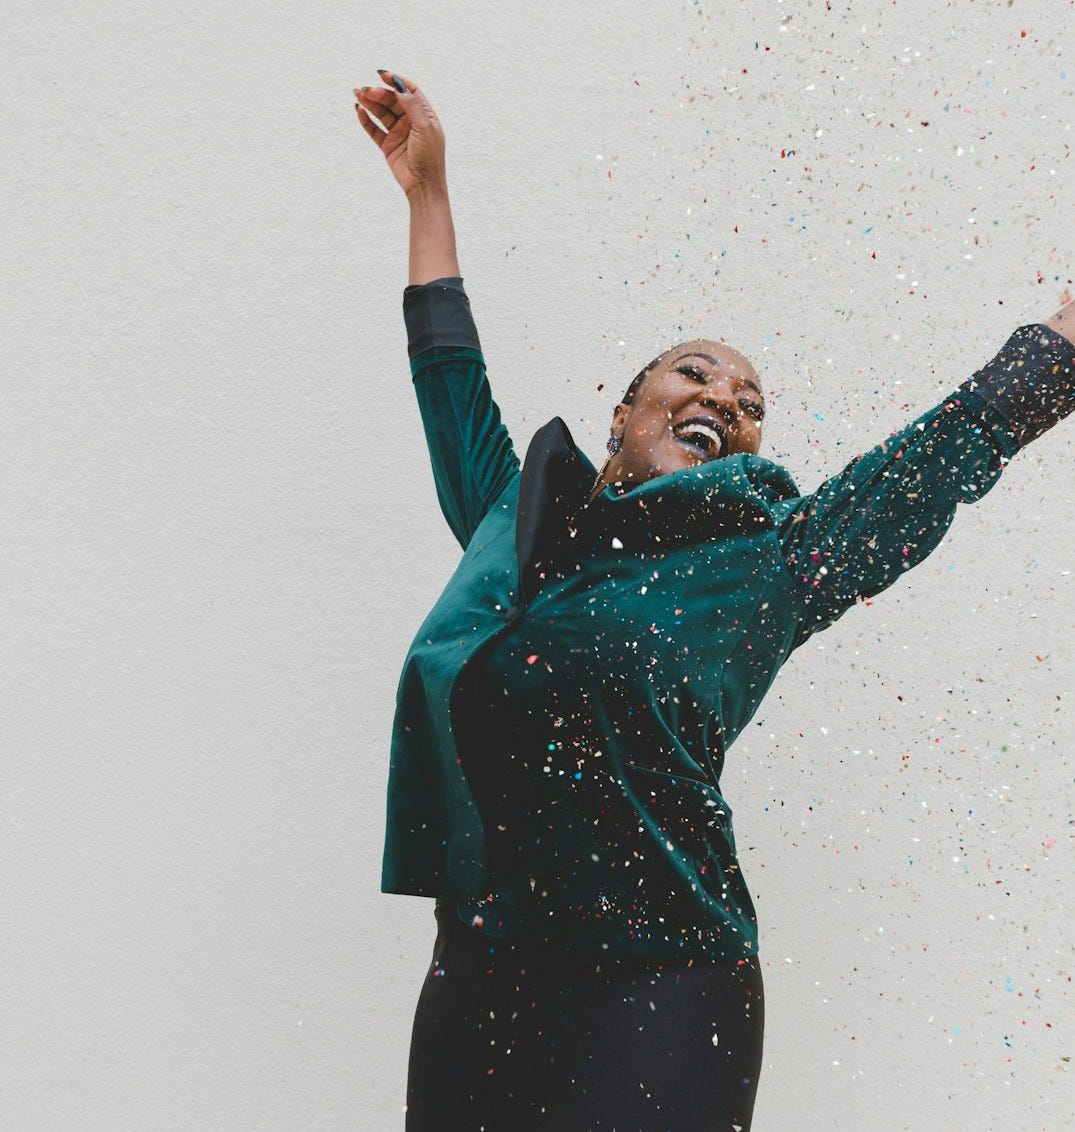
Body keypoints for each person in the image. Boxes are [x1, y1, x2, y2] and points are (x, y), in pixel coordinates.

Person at [354, 70, 1075, 1131]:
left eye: (748, 408)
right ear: (622, 412)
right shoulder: (515, 535)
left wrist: (1058, 350)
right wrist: (427, 194)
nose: (722, 404)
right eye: (694, 376)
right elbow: (448, 375)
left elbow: (923, 469)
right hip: (482, 972)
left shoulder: (766, 565)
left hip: (661, 987)